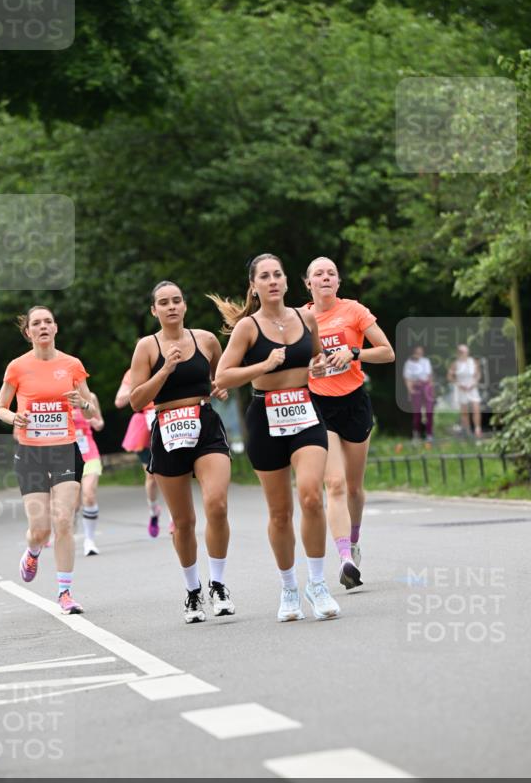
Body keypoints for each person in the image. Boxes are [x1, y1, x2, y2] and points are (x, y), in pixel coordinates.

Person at [211, 253, 341, 623]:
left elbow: (315, 357)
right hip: (265, 417)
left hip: (304, 410)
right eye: (264, 276)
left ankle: (317, 584)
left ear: (286, 282)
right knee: (281, 513)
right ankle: (289, 588)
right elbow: (222, 377)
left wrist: (322, 363)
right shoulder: (248, 328)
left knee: (313, 495)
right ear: (254, 286)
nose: (272, 281)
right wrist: (264, 366)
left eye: (277, 275)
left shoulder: (307, 317)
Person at [129, 281, 235, 624]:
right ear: (154, 310)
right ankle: (193, 592)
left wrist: (219, 387)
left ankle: (218, 585)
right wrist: (165, 369)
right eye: (164, 302)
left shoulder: (205, 339)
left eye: (177, 300)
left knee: (216, 504)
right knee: (184, 522)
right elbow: (136, 401)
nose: (171, 306)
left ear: (185, 306)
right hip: (167, 427)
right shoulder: (147, 347)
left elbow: (223, 375)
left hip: (204, 425)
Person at [0, 305, 98, 614]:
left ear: (55, 328)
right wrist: (15, 417)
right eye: (36, 323)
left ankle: (65, 592)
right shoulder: (17, 367)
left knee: (63, 520)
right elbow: (0, 407)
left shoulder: (71, 365)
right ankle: (33, 550)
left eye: (48, 322)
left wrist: (84, 403)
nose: (42, 327)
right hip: (31, 453)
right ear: (28, 332)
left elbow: (90, 409)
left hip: (65, 448)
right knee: (40, 529)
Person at [304, 256, 395, 588]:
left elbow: (387, 352)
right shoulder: (302, 318)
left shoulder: (354, 311)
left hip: (354, 402)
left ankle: (354, 542)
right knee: (336, 484)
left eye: (331, 273)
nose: (325, 277)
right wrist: (308, 370)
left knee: (355, 488)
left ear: (338, 283)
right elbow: (292, 366)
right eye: (318, 273)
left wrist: (354, 353)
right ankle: (344, 559)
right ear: (308, 283)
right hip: (319, 405)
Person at [115, 369, 164, 537]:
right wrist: (141, 387)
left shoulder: (169, 362)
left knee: (173, 473)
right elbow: (119, 401)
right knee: (151, 478)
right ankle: (154, 511)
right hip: (145, 427)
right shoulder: (133, 373)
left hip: (168, 418)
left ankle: (175, 518)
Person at [72, 391, 104, 556]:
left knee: (89, 494)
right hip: (67, 457)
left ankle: (89, 541)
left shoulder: (90, 396)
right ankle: (71, 525)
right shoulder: (56, 399)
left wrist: (95, 422)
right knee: (73, 504)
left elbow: (99, 422)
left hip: (89, 453)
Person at [448, 344, 482, 439]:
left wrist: (474, 383)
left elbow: (478, 374)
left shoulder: (473, 362)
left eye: (466, 351)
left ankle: (477, 429)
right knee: (464, 413)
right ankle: (467, 432)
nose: (465, 353)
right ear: (459, 353)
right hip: (461, 389)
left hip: (472, 388)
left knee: (476, 409)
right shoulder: (455, 364)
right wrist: (458, 384)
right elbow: (450, 377)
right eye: (463, 352)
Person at [403, 345, 435, 442]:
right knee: (417, 413)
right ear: (414, 352)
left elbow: (430, 376)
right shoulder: (408, 363)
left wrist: (431, 391)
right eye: (417, 351)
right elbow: (407, 378)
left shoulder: (426, 361)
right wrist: (410, 390)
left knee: (429, 411)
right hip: (415, 387)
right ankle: (416, 434)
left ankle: (429, 434)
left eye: (420, 351)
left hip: (426, 386)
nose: (419, 353)